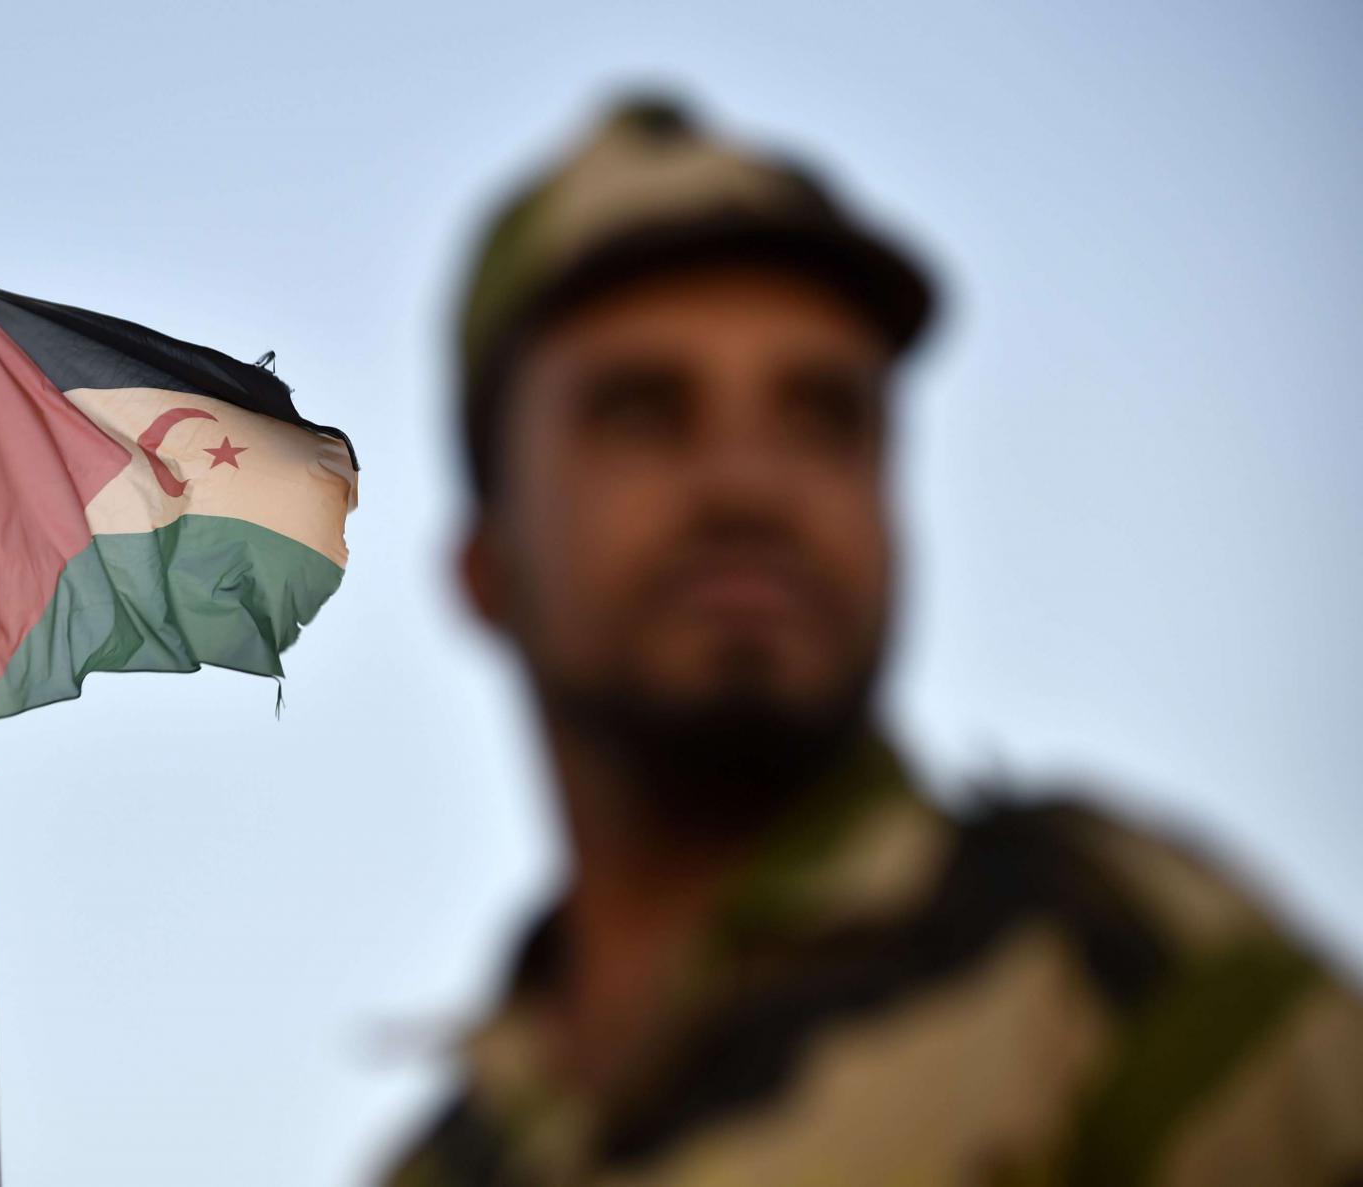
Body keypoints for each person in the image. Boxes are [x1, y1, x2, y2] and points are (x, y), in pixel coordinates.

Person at [378, 96, 1363, 1186]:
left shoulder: (1113, 971)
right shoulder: (445, 1165)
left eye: (823, 415)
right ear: (486, 567)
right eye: (644, 412)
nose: (750, 486)